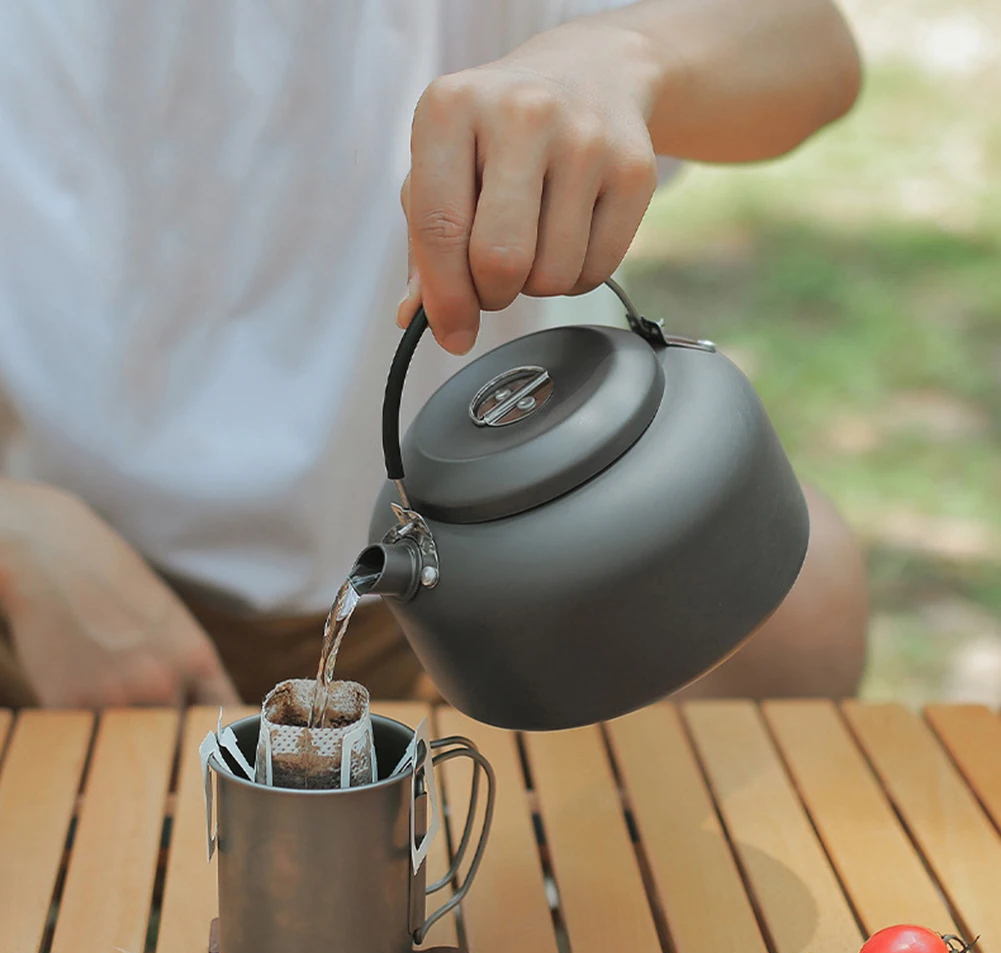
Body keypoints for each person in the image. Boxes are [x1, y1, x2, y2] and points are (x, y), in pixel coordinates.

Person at [0, 0, 865, 710]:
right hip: (48, 582)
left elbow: (810, 46)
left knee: (799, 595)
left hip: (483, 584)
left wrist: (625, 54)